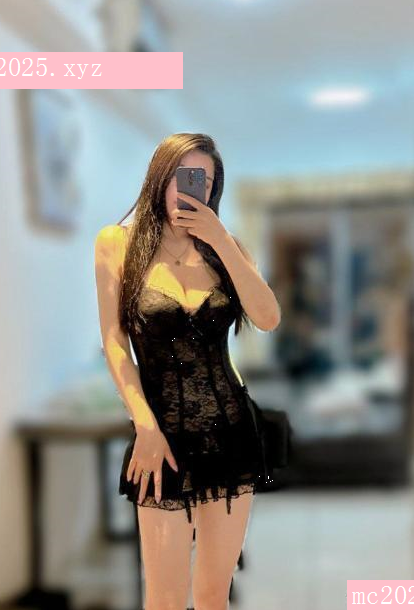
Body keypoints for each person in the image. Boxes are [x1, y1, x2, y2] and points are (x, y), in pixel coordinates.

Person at [94, 133, 281, 610]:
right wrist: (144, 425)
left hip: (230, 433)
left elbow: (267, 317)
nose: (192, 188)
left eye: (205, 180)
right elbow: (115, 341)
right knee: (164, 598)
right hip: (161, 440)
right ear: (160, 176)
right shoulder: (117, 244)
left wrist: (221, 239)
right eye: (183, 175)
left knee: (214, 593)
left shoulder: (227, 249)